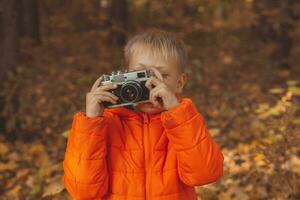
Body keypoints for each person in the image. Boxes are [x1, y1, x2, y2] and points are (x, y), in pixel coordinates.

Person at [62, 28, 224, 200]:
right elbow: (82, 191)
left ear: (180, 83)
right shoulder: (106, 124)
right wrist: (91, 122)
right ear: (126, 75)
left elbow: (205, 175)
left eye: (163, 75)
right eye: (141, 74)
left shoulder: (184, 123)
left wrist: (178, 114)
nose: (150, 83)